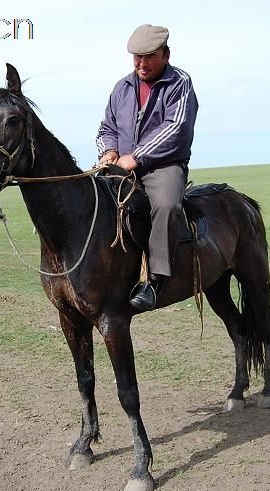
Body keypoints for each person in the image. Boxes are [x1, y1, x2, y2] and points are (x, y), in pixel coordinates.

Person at [96, 24, 199, 311]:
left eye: (149, 56)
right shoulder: (122, 87)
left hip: (163, 166)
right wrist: (110, 151)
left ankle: (156, 280)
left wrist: (136, 157)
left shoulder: (180, 82)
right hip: (121, 164)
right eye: (136, 57)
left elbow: (176, 128)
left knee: (166, 205)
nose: (142, 63)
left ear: (166, 55)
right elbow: (107, 126)